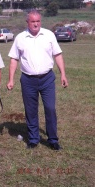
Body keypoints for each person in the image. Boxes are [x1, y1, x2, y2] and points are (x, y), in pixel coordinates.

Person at [7, 10, 68, 150]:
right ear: (27, 22)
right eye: (33, 21)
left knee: (50, 108)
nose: (36, 24)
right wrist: (11, 79)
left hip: (47, 79)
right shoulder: (20, 38)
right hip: (28, 80)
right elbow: (14, 59)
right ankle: (33, 139)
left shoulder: (49, 35)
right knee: (30, 110)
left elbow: (58, 55)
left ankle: (53, 140)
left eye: (38, 21)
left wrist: (63, 74)